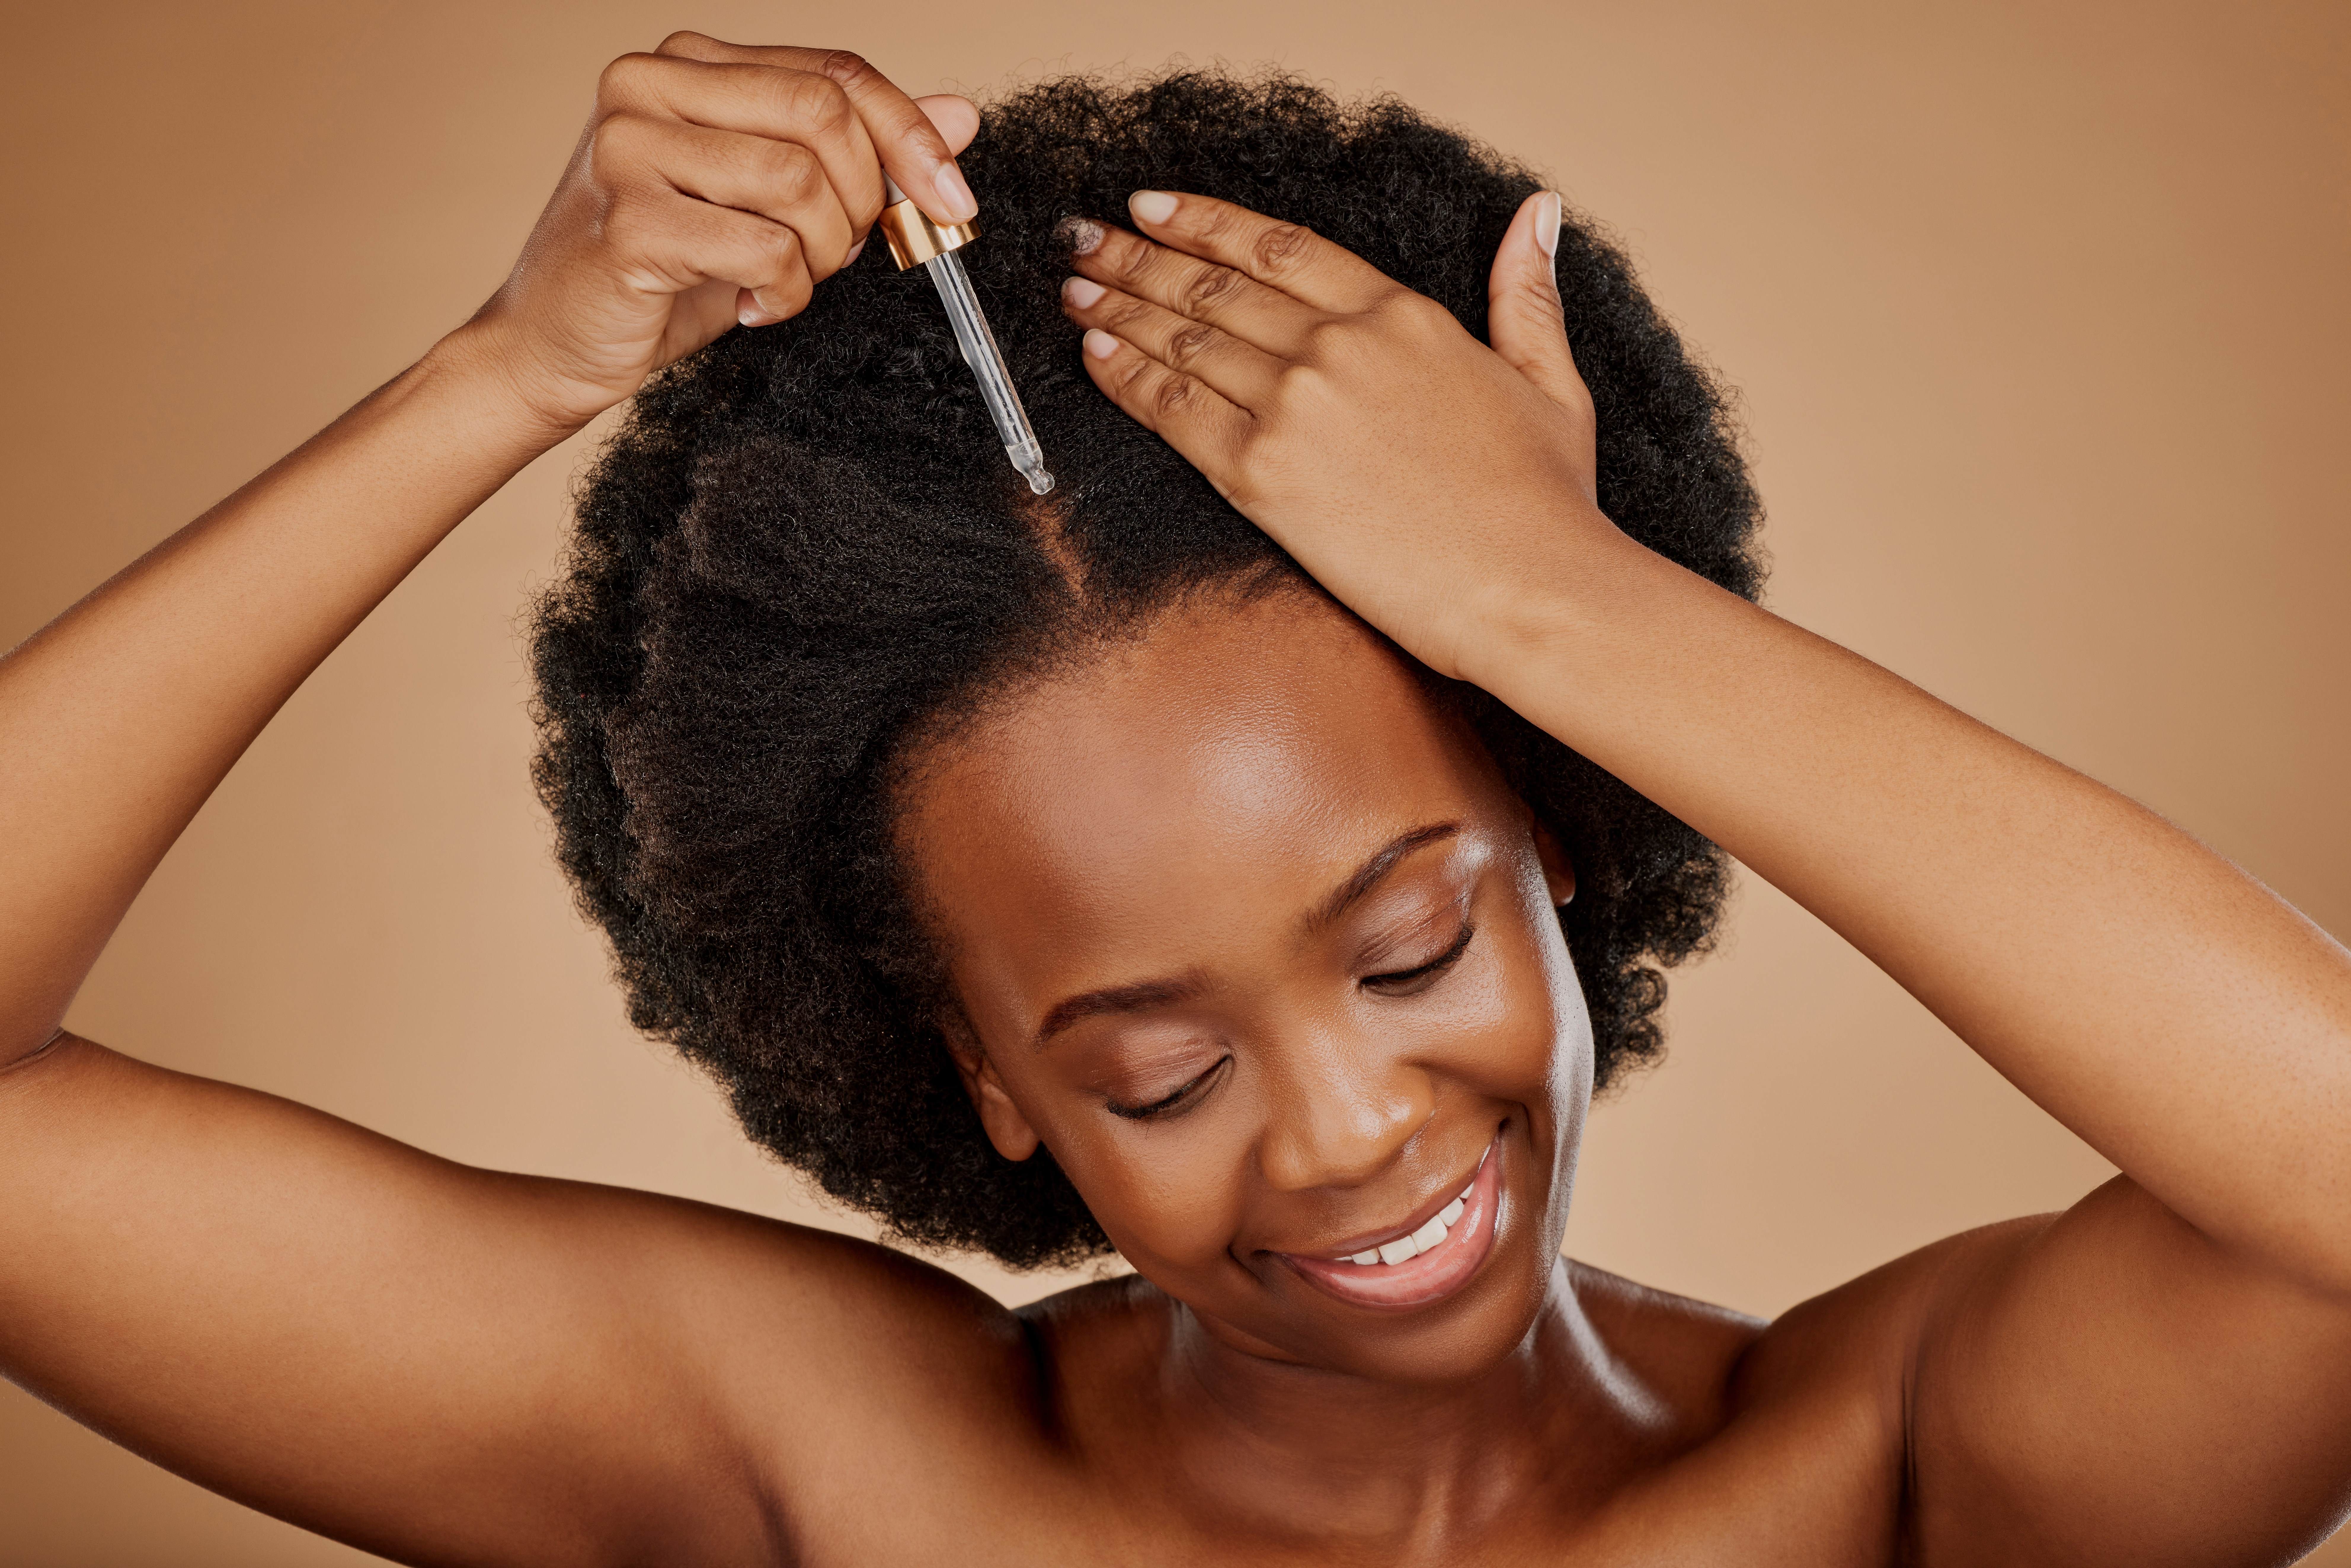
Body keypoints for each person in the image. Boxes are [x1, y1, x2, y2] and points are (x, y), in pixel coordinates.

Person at [1, 30, 2346, 1567]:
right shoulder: (834, 1471)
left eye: (1411, 939)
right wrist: (504, 371)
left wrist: (1562, 614)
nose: (1339, 1129)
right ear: (984, 1082)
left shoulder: (1897, 1474)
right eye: (1161, 1063)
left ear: (1564, 830)